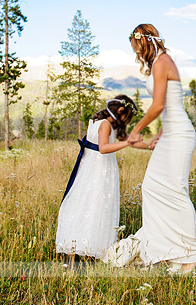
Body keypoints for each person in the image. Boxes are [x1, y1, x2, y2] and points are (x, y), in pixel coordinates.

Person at [117, 23, 196, 271]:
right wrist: (160, 135)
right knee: (152, 187)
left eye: (136, 46)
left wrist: (136, 130)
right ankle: (168, 249)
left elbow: (158, 106)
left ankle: (189, 255)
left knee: (175, 191)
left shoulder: (163, 61)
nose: (136, 52)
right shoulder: (160, 62)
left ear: (143, 41)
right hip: (171, 134)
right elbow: (173, 103)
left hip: (180, 136)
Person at [55, 95, 155, 263]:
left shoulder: (98, 121)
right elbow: (103, 148)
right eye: (127, 116)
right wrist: (128, 144)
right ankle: (90, 246)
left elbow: (126, 140)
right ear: (120, 111)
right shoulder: (106, 124)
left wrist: (149, 146)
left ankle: (85, 244)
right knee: (96, 204)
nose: (126, 121)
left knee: (88, 204)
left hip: (93, 167)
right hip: (98, 168)